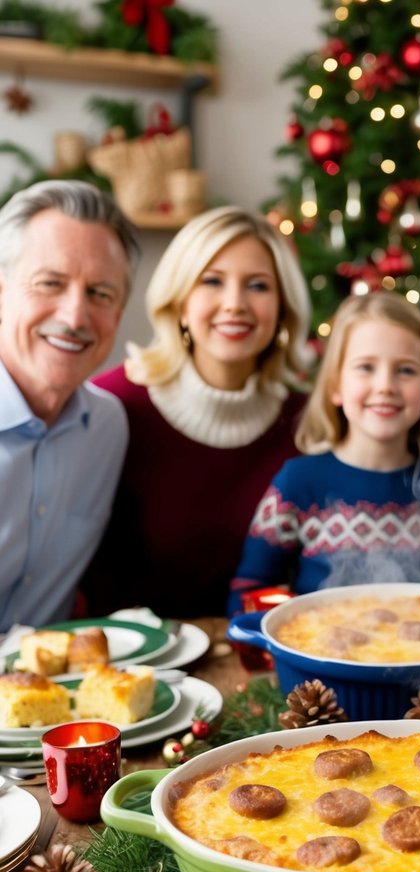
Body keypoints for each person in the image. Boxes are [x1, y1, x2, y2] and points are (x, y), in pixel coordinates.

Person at [85, 205, 311, 617]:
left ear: (282, 309)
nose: (234, 304)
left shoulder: (306, 425)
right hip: (127, 668)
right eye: (212, 281)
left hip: (251, 664)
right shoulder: (110, 404)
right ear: (181, 303)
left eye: (258, 286)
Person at [229, 292, 420, 609]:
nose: (385, 386)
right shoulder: (297, 483)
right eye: (365, 367)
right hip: (319, 652)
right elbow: (248, 591)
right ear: (336, 386)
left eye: (406, 370)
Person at [0, 180, 138, 633]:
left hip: (49, 694)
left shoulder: (107, 427)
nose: (75, 316)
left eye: (100, 294)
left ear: (117, 316)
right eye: (50, 284)